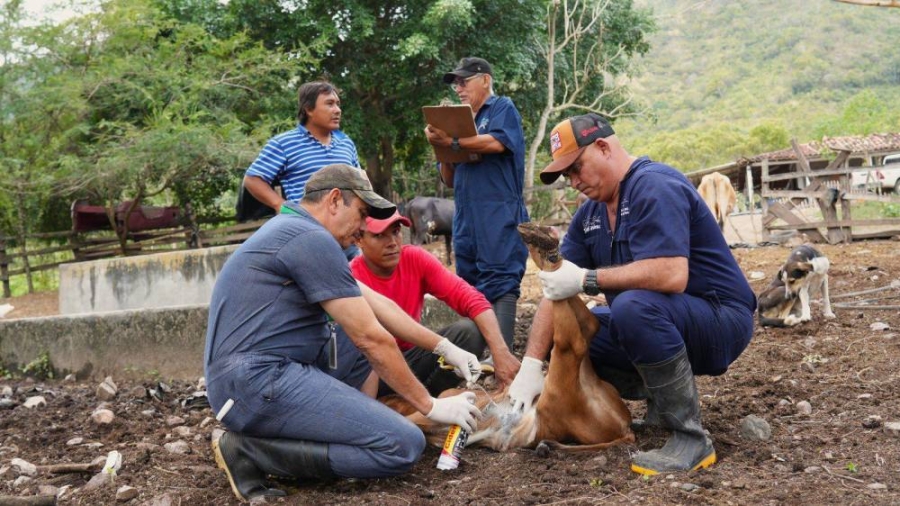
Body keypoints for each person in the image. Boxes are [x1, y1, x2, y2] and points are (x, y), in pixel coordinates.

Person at [205, 164, 482, 501]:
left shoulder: (298, 231)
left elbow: (379, 308)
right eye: (362, 213)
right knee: (403, 445)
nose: (364, 226)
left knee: (351, 344)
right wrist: (430, 406)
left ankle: (348, 431)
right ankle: (250, 452)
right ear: (335, 200)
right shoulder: (309, 239)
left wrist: (444, 345)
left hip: (256, 379)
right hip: (257, 382)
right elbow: (372, 338)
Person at [507, 114, 756, 476]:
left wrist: (588, 279)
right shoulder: (590, 213)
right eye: (567, 176)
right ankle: (657, 408)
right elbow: (557, 286)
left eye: (577, 168)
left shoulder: (654, 186)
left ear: (604, 147)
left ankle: (690, 437)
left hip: (720, 320)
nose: (574, 182)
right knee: (576, 329)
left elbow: (672, 274)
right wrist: (531, 363)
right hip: (669, 317)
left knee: (631, 305)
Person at [350, 211, 521, 395]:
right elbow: (366, 347)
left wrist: (500, 353)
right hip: (374, 369)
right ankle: (405, 405)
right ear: (358, 240)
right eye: (379, 235)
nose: (392, 242)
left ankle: (437, 397)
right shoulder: (351, 277)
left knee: (468, 332)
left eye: (396, 231)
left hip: (411, 357)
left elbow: (470, 298)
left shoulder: (414, 259)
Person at [424, 57, 529, 352]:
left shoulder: (501, 108)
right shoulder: (459, 124)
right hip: (466, 215)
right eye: (456, 82)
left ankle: (503, 358)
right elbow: (448, 178)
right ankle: (478, 357)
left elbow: (497, 143)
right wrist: (441, 146)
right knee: (470, 282)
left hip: (498, 211)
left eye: (464, 81)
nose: (459, 88)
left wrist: (454, 139)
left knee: (502, 278)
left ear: (485, 79)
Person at [243, 81, 360, 212]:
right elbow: (252, 179)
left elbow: (360, 186)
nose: (338, 110)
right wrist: (281, 206)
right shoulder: (284, 143)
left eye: (338, 104)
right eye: (329, 104)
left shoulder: (346, 143)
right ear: (309, 109)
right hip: (308, 228)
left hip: (348, 228)